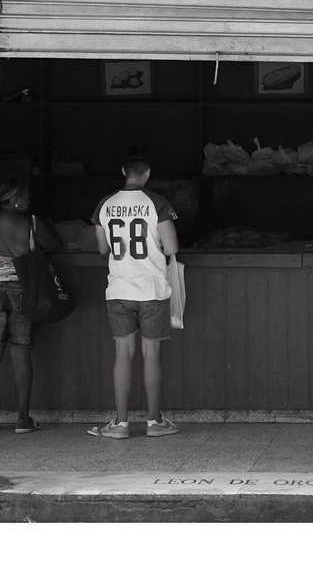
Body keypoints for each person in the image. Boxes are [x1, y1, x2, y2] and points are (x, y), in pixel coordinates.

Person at [87, 146, 181, 440]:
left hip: (118, 289)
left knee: (122, 353)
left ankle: (121, 424)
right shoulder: (157, 203)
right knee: (151, 353)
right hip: (152, 290)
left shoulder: (105, 204)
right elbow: (172, 248)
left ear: (123, 173)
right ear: (148, 174)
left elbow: (103, 249)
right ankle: (155, 423)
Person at [0, 176, 63, 434]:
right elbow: (57, 244)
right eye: (26, 197)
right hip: (23, 290)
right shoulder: (30, 222)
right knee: (20, 351)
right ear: (15, 199)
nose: (30, 201)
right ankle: (23, 418)